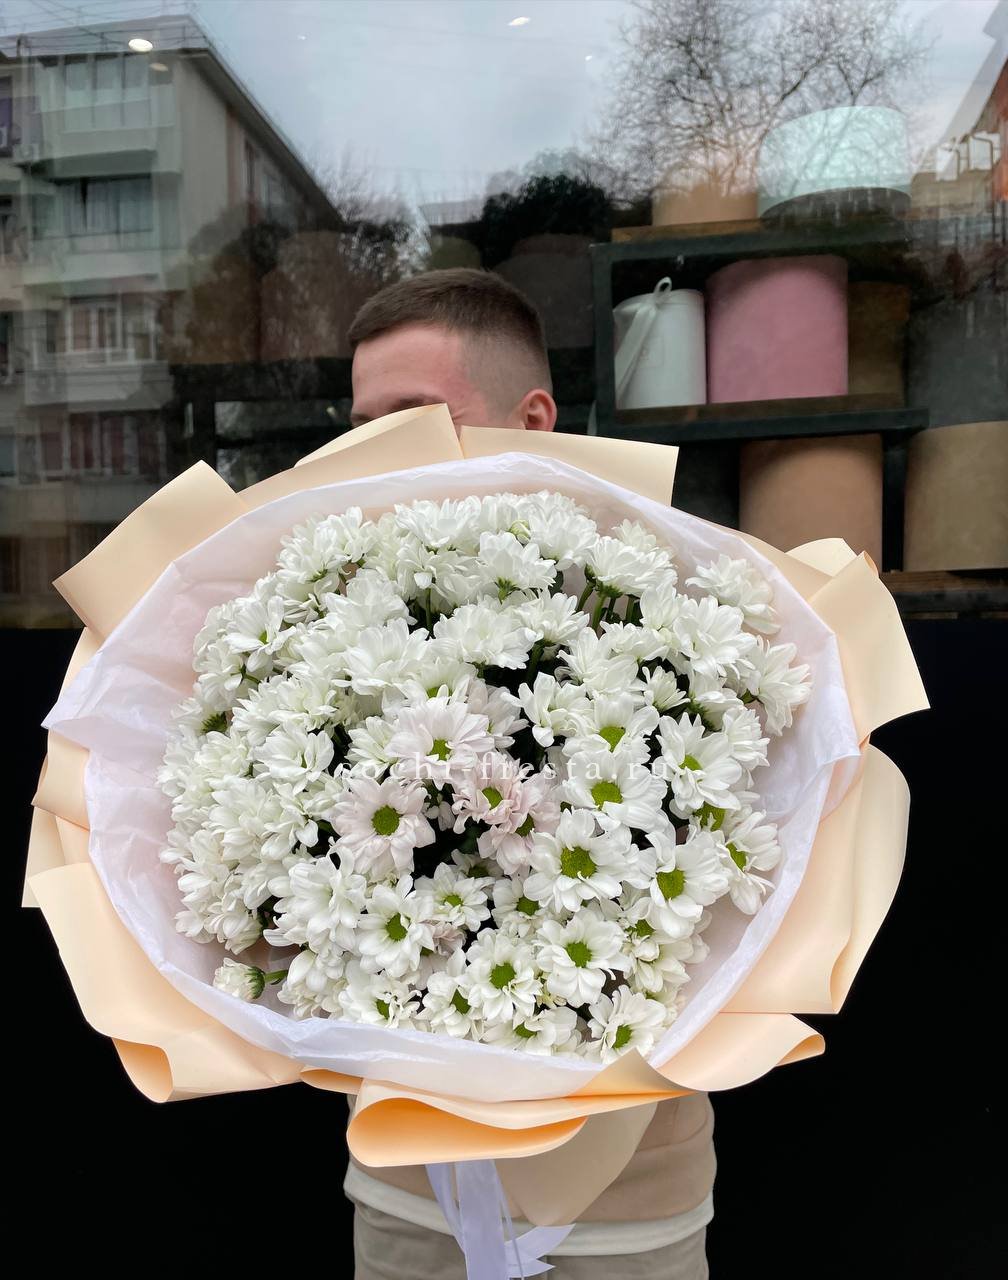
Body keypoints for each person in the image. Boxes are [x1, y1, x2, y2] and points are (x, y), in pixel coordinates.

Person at [345, 268, 715, 1280]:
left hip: (628, 1199)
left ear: (534, 420)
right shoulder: (335, 621)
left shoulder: (666, 600)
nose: (376, 454)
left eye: (414, 417)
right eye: (361, 426)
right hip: (407, 1183)